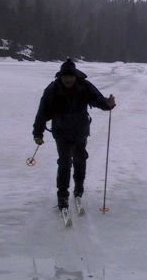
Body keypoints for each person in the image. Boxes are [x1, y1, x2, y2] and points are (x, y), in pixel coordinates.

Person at [33, 59, 116, 211]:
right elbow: (42, 112)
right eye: (65, 77)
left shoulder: (84, 86)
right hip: (61, 132)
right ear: (61, 77)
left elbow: (98, 99)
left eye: (71, 76)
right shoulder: (52, 90)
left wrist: (108, 104)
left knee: (80, 159)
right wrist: (38, 133)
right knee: (64, 163)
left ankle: (78, 187)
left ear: (75, 76)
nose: (68, 79)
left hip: (80, 131)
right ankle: (62, 195)